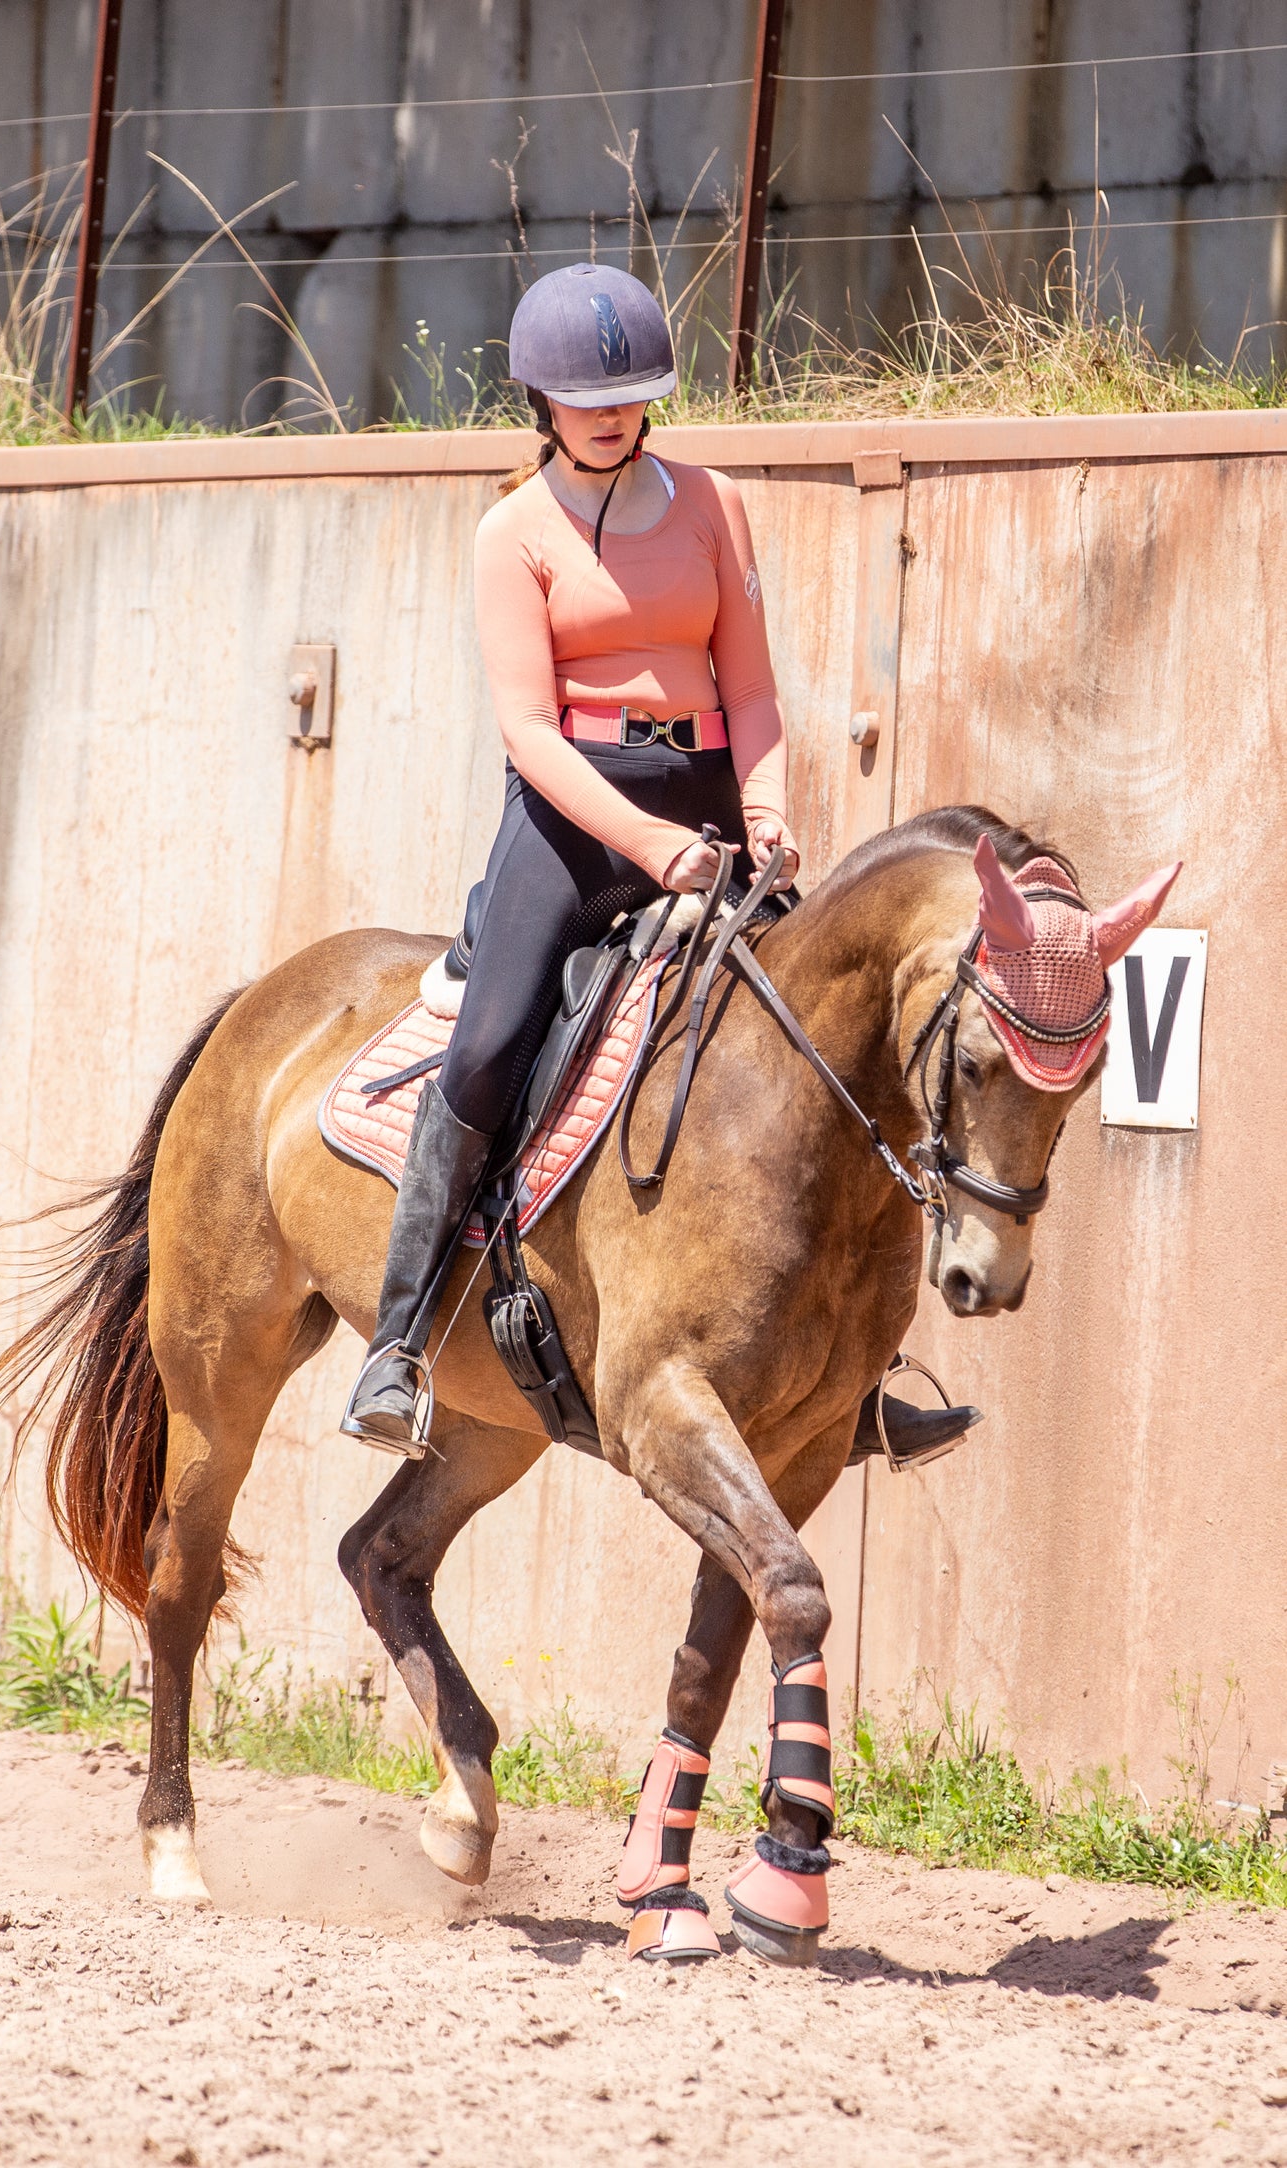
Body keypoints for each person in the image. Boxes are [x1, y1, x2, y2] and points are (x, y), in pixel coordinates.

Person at [342, 263, 974, 1469]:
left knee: (821, 1031)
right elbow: (528, 731)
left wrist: (766, 809)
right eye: (588, 398)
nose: (612, 415)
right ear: (539, 401)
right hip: (572, 820)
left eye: (630, 395)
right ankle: (401, 1340)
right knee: (484, 1044)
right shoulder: (510, 533)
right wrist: (653, 849)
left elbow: (749, 687)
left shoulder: (712, 504)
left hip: (709, 803)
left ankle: (859, 1379)